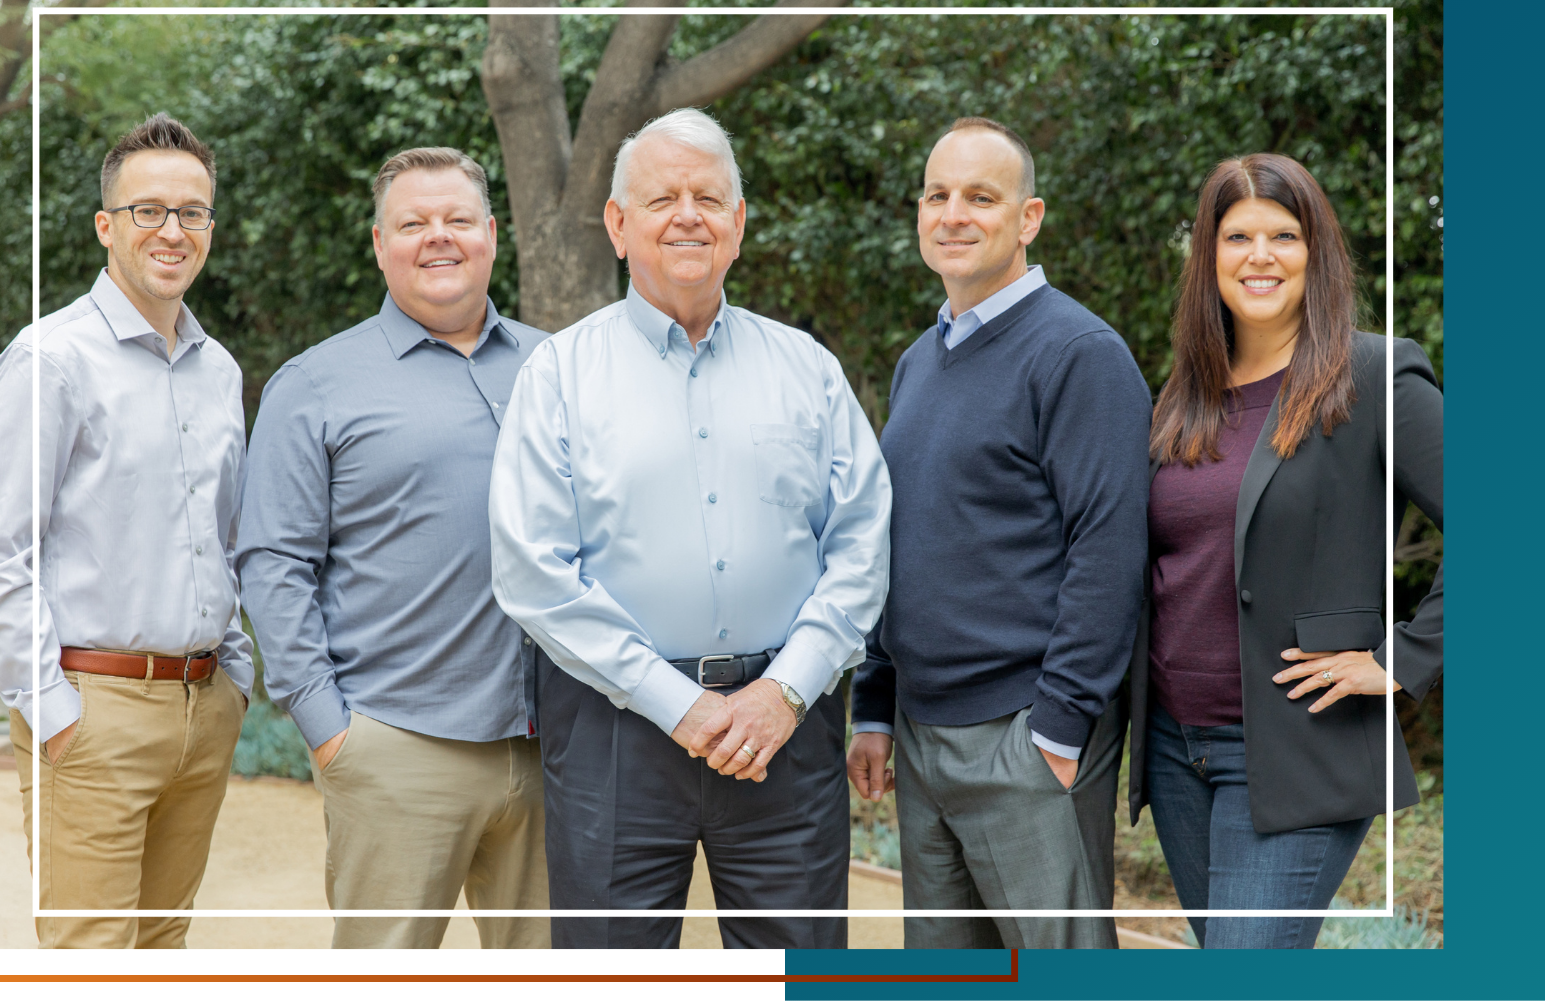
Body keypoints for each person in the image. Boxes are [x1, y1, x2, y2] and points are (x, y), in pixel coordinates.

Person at [488, 108, 892, 950]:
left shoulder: (808, 370)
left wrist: (786, 691)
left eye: (708, 198)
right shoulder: (559, 374)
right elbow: (533, 570)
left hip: (784, 730)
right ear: (617, 224)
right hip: (614, 731)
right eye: (661, 198)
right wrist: (677, 706)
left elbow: (862, 544)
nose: (688, 216)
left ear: (738, 223)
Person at [847, 116, 1153, 950]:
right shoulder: (920, 360)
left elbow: (1109, 548)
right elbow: (896, 540)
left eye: (981, 197)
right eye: (937, 195)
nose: (953, 214)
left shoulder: (1079, 353)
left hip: (1025, 733)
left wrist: (1057, 727)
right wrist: (875, 704)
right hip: (922, 737)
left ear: (1029, 218)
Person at [236, 148, 552, 950]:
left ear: (491, 234)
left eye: (457, 219)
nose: (437, 236)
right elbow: (272, 563)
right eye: (413, 223)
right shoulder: (315, 384)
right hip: (396, 746)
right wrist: (330, 729)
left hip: (555, 748)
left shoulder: (560, 366)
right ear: (380, 244)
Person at [1130, 152, 1442, 948]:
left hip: (1297, 749)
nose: (1259, 256)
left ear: (1316, 252)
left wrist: (1400, 659)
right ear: (1209, 257)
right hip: (1174, 751)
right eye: (1237, 237)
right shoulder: (1184, 397)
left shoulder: (1374, 376)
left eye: (1283, 235)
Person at [0, 113, 253, 949]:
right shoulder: (50, 360)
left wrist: (235, 677)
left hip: (203, 705)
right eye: (148, 210)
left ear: (210, 226)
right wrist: (54, 711)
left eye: (192, 212)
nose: (172, 231)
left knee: (165, 939)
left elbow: (225, 538)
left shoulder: (220, 371)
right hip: (92, 708)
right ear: (106, 225)